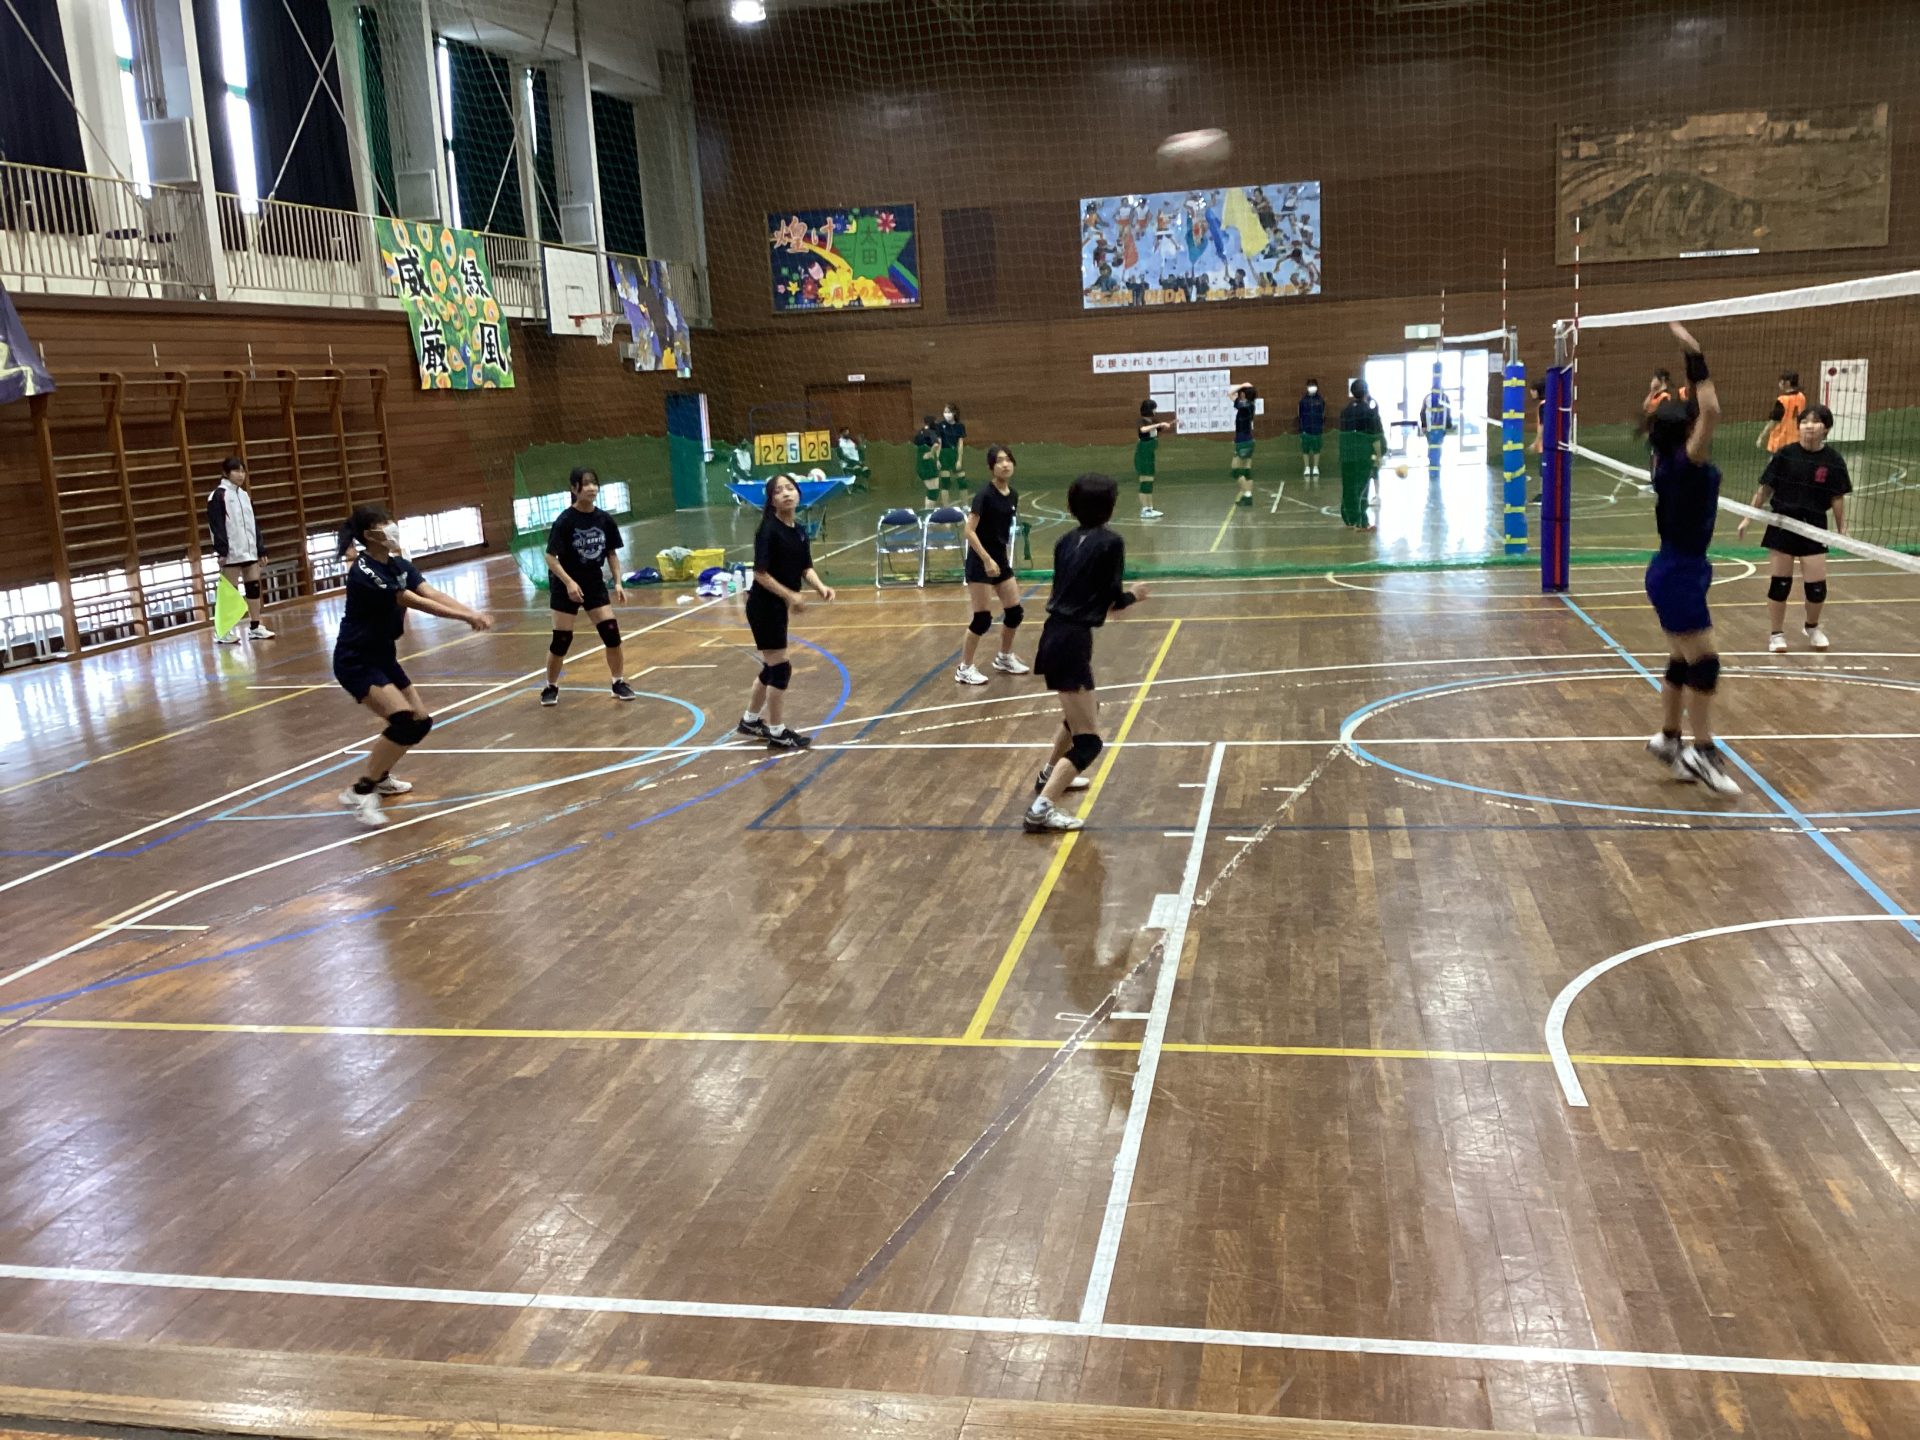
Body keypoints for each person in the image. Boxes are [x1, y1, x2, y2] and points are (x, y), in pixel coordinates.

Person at [332, 504, 492, 827]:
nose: (392, 527)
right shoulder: (364, 570)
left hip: (383, 655)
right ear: (369, 534)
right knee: (403, 720)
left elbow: (430, 592)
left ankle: (381, 776)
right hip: (356, 658)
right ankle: (362, 790)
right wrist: (463, 618)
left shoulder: (400, 565)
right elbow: (413, 601)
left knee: (420, 722)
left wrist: (471, 612)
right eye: (383, 523)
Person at [1024, 473, 1149, 834]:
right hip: (1072, 642)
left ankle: (1049, 774)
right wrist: (1136, 595)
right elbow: (1114, 601)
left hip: (1054, 635)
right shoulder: (1111, 543)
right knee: (1089, 742)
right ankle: (1040, 811)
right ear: (1109, 507)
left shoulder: (1064, 541)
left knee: (1086, 711)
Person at [1643, 323, 1739, 796]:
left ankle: (1668, 739)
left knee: (1682, 661)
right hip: (1680, 572)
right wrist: (1695, 354)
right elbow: (1713, 409)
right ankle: (1702, 750)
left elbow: (1700, 410)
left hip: (1673, 569)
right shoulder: (1687, 463)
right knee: (1705, 665)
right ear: (1685, 430)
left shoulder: (1665, 459)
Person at [1736, 402, 1850, 653]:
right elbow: (1765, 489)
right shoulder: (1785, 455)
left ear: (1826, 428)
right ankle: (1776, 634)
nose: (1809, 426)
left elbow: (1837, 497)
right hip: (1783, 524)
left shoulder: (1833, 460)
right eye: (1805, 422)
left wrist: (1842, 529)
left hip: (1814, 526)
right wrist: (1747, 518)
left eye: (1815, 422)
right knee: (1780, 584)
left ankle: (1812, 627)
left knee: (1817, 588)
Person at [738, 473, 835, 751]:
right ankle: (777, 731)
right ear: (771, 500)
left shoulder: (799, 530)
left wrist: (820, 587)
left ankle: (750, 721)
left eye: (790, 488)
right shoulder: (767, 530)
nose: (786, 494)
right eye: (779, 491)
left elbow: (805, 567)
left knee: (771, 666)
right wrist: (790, 595)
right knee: (780, 668)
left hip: (777, 607)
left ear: (798, 493)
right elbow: (760, 573)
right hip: (763, 606)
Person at [540, 466, 635, 706]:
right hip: (565, 584)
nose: (592, 488)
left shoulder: (604, 520)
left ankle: (618, 682)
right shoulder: (565, 521)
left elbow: (611, 553)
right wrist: (569, 582)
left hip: (593, 582)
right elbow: (550, 557)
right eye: (586, 483)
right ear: (574, 488)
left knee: (611, 632)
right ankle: (551, 686)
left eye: (594, 483)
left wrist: (618, 582)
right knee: (561, 639)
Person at [954, 444, 1030, 685]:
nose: (1005, 464)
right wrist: (986, 559)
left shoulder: (1013, 495)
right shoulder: (984, 496)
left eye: (1008, 460)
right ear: (991, 467)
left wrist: (1000, 559)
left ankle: (1004, 657)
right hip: (980, 562)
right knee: (982, 619)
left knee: (1015, 613)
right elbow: (969, 531)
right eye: (999, 461)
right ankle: (964, 668)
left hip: (1000, 561)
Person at [206, 456, 274, 643]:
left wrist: (260, 549)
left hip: (249, 550)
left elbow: (253, 524)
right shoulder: (217, 496)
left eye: (243, 471)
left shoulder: (244, 495)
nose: (241, 475)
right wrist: (222, 551)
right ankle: (223, 631)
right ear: (225, 473)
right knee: (230, 591)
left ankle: (255, 626)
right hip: (231, 552)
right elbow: (216, 526)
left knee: (253, 587)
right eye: (236, 471)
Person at [1337, 379, 1385, 530]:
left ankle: (1349, 518)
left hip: (1347, 456)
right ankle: (1360, 522)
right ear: (1366, 392)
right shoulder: (1370, 413)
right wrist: (1379, 456)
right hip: (1363, 456)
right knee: (1361, 489)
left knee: (1348, 487)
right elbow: (1376, 437)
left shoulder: (1345, 412)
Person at [1134, 400, 1173, 520]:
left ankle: (1150, 508)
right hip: (1143, 454)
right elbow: (1143, 430)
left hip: (1150, 454)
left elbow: (1156, 430)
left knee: (1150, 481)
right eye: (1154, 408)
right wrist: (1158, 424)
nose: (1155, 411)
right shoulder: (1142, 421)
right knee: (1145, 481)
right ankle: (1144, 509)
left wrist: (1165, 425)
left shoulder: (1153, 421)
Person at [1758, 370, 1806, 453]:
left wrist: (1761, 436)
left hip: (1781, 441)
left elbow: (1773, 422)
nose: (1779, 383)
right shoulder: (1801, 396)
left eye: (1781, 381)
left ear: (1787, 383)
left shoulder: (1782, 400)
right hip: (1796, 440)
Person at [1229, 382, 1257, 506]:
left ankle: (1247, 494)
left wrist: (1241, 386)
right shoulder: (1251, 405)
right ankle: (1248, 497)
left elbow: (1230, 394)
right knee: (1246, 470)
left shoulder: (1244, 406)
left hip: (1243, 442)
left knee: (1235, 471)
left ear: (1244, 394)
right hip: (1249, 440)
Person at [936, 403, 967, 507]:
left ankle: (965, 506)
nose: (946, 414)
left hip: (954, 453)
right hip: (944, 454)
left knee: (962, 481)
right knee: (945, 482)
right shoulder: (940, 426)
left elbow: (960, 444)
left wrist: (959, 460)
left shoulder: (960, 426)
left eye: (949, 412)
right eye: (945, 412)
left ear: (954, 413)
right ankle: (946, 508)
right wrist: (937, 459)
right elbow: (939, 443)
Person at [1296, 379, 1325, 479]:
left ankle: (1316, 467)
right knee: (1305, 450)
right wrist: (1302, 428)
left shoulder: (1320, 400)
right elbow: (1299, 415)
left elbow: (1323, 414)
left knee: (1317, 449)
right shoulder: (1303, 401)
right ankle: (1307, 467)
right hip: (1305, 429)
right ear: (1307, 387)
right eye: (1310, 385)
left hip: (1317, 429)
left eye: (1314, 385)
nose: (1312, 387)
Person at [912, 414, 940, 507]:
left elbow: (916, 443)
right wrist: (931, 453)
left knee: (931, 490)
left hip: (921, 463)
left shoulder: (920, 432)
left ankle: (928, 510)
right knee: (933, 491)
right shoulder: (931, 432)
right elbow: (936, 445)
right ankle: (928, 511)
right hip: (928, 464)